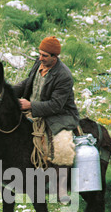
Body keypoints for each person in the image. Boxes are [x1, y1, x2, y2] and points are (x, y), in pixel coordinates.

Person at [13, 36, 80, 203]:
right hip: (33, 111)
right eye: (40, 54)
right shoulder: (39, 63)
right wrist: (8, 93)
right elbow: (28, 82)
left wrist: (30, 105)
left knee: (63, 146)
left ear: (54, 57)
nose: (40, 58)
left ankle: (61, 189)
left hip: (59, 116)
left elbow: (56, 105)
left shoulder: (64, 76)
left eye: (44, 55)